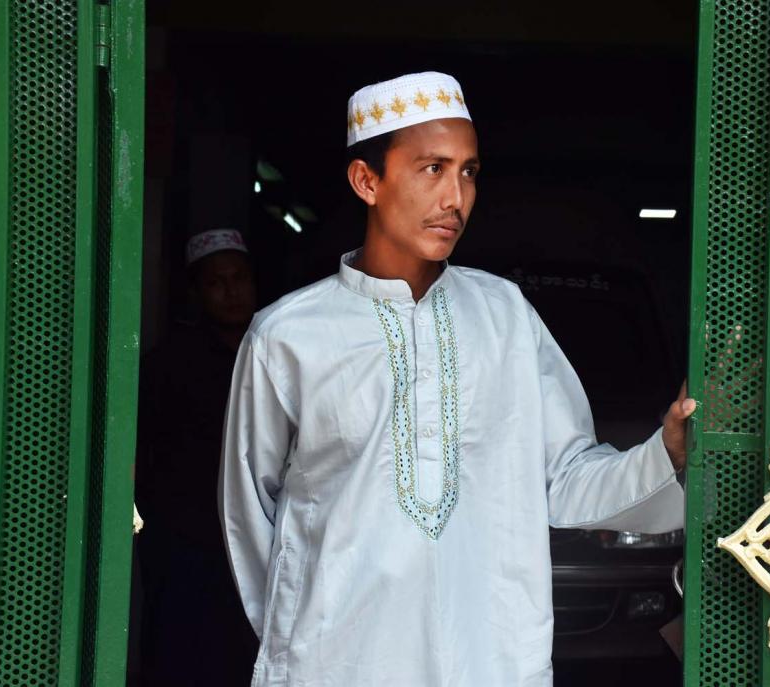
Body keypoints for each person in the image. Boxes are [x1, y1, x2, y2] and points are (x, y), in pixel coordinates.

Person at [218, 72, 696, 686]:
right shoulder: (287, 336)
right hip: (336, 663)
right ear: (368, 181)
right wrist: (301, 643)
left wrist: (664, 455)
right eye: (432, 169)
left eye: (468, 172)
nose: (456, 198)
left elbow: (567, 477)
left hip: (487, 658)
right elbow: (250, 517)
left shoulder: (506, 317)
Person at [136, 229, 259, 686]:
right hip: (187, 543)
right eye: (216, 282)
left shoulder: (275, 350)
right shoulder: (169, 364)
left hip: (257, 538)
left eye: (240, 278)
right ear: (195, 293)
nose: (231, 291)